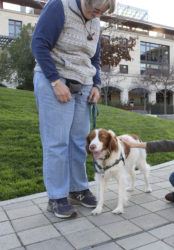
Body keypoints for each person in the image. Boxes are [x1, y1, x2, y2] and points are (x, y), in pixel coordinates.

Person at [31, 0, 116, 219]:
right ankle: (56, 197)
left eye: (102, 12)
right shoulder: (59, 6)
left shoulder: (95, 22)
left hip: (84, 86)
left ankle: (77, 189)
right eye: (95, 9)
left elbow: (94, 58)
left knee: (80, 143)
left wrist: (96, 84)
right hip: (55, 80)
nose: (97, 15)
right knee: (57, 143)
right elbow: (39, 44)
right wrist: (54, 81)